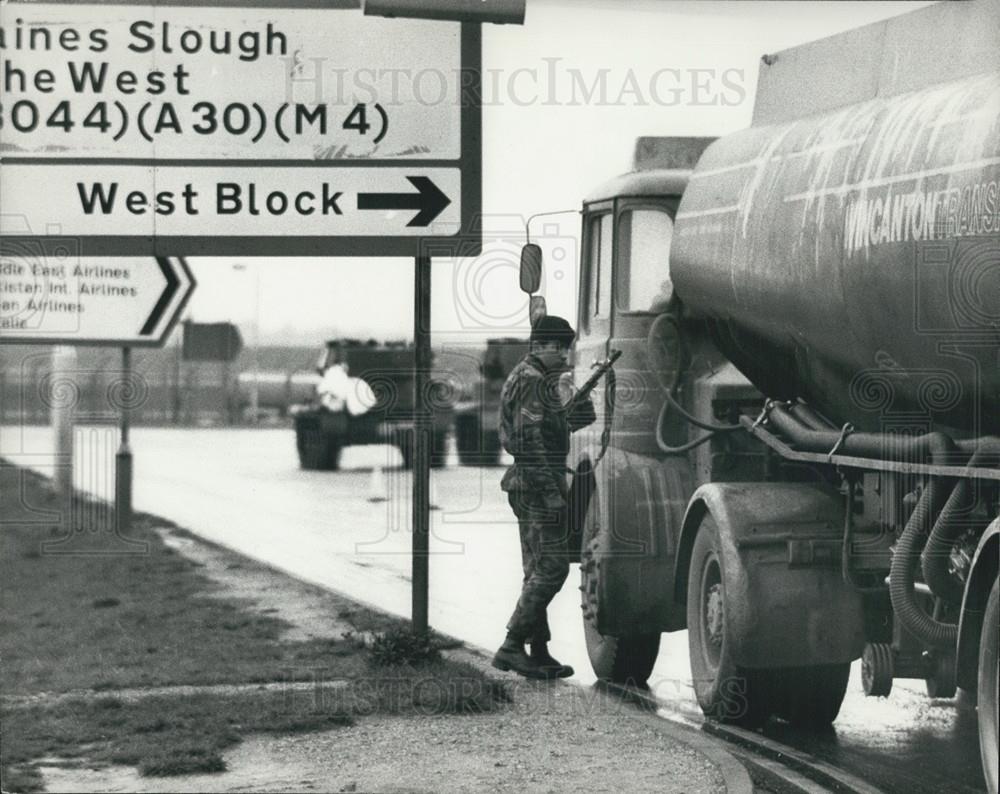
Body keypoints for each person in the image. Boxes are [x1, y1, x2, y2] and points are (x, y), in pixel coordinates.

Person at [492, 315, 596, 679]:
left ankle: (537, 650)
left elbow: (553, 428)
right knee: (551, 568)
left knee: (536, 570)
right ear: (541, 346)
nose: (565, 355)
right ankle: (511, 646)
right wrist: (552, 494)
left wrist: (576, 405)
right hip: (537, 485)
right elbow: (527, 441)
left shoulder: (539, 380)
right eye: (560, 348)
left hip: (532, 483)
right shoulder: (532, 381)